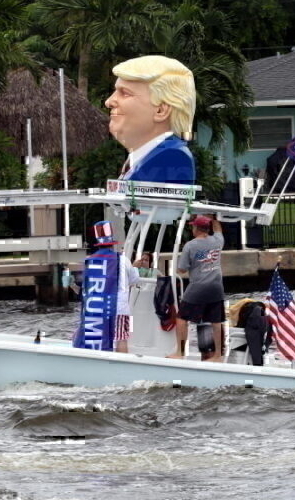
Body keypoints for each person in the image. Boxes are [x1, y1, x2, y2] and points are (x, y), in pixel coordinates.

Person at [105, 55, 196, 185]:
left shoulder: (171, 157)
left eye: (125, 93)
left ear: (161, 110)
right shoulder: (142, 158)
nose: (109, 102)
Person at [74, 221, 139, 353]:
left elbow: (84, 284)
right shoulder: (123, 260)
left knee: (96, 338)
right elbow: (135, 280)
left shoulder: (89, 260)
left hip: (97, 309)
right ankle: (121, 368)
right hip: (120, 308)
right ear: (112, 243)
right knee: (122, 338)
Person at [168, 215, 225, 361]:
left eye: (193, 226)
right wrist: (214, 218)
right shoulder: (218, 241)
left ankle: (180, 353)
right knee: (216, 321)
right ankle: (218, 355)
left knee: (181, 318)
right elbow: (218, 230)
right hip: (217, 287)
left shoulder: (190, 246)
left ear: (196, 228)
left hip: (198, 287)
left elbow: (181, 270)